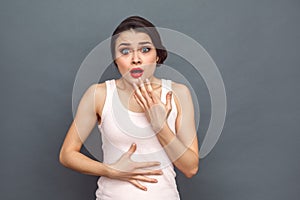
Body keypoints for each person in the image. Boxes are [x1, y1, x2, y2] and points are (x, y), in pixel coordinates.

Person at [59, 16, 199, 200]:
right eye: (125, 51)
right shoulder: (99, 95)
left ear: (157, 55)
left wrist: (160, 126)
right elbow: (67, 154)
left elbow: (190, 168)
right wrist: (110, 170)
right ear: (116, 60)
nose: (135, 59)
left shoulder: (178, 94)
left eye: (145, 49)